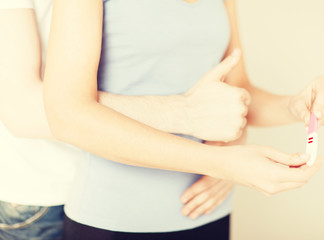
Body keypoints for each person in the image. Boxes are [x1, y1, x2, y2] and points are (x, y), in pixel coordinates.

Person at [43, 0, 324, 239]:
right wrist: (223, 163)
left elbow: (239, 93)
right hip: (117, 218)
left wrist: (294, 105)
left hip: (211, 210)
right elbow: (67, 114)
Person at [0, 0, 251, 239]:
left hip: (133, 179)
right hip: (43, 197)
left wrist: (228, 147)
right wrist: (187, 116)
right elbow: (23, 111)